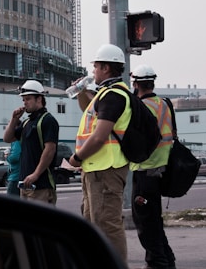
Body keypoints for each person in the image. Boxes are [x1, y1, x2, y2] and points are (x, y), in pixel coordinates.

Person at [68, 44, 130, 261]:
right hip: (96, 168)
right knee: (94, 223)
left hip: (106, 168)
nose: (93, 71)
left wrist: (77, 158)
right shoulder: (103, 94)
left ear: (105, 68)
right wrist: (81, 92)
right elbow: (88, 110)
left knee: (108, 226)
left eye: (95, 67)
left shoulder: (114, 95)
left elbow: (99, 136)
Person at [129, 64, 177, 269]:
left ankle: (157, 263)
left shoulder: (141, 107)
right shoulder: (164, 103)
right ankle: (167, 261)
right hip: (161, 170)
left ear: (136, 84)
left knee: (146, 224)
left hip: (145, 170)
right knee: (154, 221)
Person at [3, 80, 59, 205]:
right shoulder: (27, 122)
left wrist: (36, 174)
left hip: (41, 185)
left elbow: (50, 150)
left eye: (28, 99)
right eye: (23, 100)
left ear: (39, 99)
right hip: (25, 184)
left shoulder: (48, 120)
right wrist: (14, 119)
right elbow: (7, 138)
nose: (24, 103)